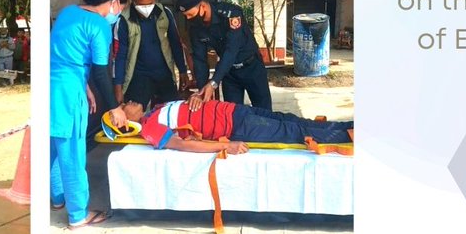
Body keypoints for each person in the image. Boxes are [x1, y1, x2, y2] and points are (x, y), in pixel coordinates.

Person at [50, 0, 129, 229]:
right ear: (115, 3)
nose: (119, 14)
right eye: (121, 9)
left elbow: (64, 52)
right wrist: (115, 108)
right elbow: (100, 71)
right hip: (68, 92)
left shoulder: (66, 13)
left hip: (50, 84)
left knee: (53, 146)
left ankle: (58, 199)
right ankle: (78, 215)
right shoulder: (100, 26)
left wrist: (86, 87)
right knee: (73, 151)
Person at [119, 99, 353, 152]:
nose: (127, 101)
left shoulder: (156, 110)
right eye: (123, 107)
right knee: (297, 132)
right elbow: (181, 145)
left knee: (294, 120)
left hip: (236, 111)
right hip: (236, 126)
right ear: (128, 124)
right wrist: (227, 146)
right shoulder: (149, 126)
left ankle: (351, 126)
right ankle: (352, 135)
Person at [176, 0, 271, 110]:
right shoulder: (196, 28)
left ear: (203, 6)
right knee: (232, 116)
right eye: (185, 15)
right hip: (229, 74)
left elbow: (231, 50)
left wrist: (214, 82)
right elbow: (200, 60)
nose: (188, 18)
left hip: (252, 68)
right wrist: (202, 90)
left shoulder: (231, 14)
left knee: (264, 114)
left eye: (190, 14)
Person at [115, 0, 189, 110]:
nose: (146, 8)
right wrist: (118, 87)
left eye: (150, 3)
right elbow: (120, 56)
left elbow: (175, 43)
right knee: (134, 117)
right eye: (142, 5)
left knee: (170, 114)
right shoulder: (124, 20)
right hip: (138, 77)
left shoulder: (164, 14)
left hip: (164, 75)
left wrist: (182, 70)